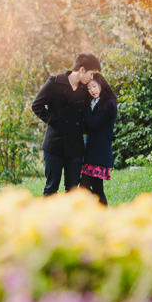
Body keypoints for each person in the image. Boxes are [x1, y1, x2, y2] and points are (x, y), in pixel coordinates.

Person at [32, 53, 101, 196]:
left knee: (73, 190)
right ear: (82, 70)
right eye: (91, 73)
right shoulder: (54, 83)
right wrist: (55, 121)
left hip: (75, 148)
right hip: (54, 146)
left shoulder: (85, 90)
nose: (91, 77)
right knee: (51, 188)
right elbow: (37, 105)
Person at [79, 73, 117, 205]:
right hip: (90, 152)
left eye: (94, 86)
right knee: (96, 189)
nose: (92, 90)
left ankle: (99, 216)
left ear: (101, 85)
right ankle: (102, 216)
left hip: (99, 153)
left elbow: (92, 124)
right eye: (89, 88)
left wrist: (84, 106)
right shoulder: (93, 102)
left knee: (86, 188)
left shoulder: (109, 103)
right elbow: (86, 126)